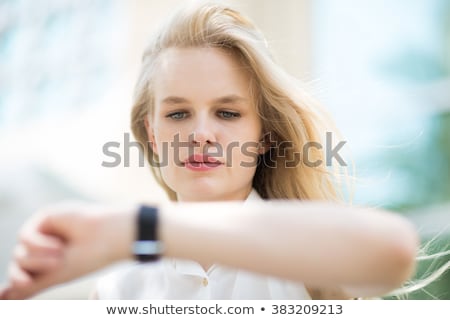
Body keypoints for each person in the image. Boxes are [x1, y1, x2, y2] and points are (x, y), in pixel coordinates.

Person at [0, 1, 420, 300]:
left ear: (265, 135)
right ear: (151, 132)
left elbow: (394, 250)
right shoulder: (119, 290)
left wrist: (134, 230)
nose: (201, 134)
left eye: (227, 113)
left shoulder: (309, 260)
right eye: (178, 114)